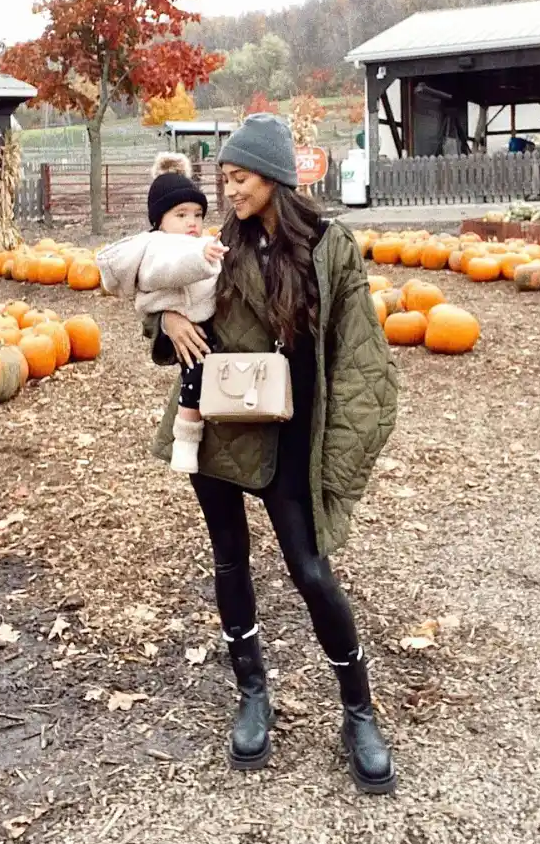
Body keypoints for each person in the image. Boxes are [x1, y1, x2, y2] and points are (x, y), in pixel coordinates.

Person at [144, 113, 400, 794]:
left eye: (241, 177)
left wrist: (340, 464)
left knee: (311, 570)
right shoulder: (213, 245)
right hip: (222, 423)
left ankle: (358, 710)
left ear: (277, 178)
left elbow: (362, 360)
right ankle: (253, 693)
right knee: (228, 559)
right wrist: (164, 318)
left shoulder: (329, 247)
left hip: (293, 430)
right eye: (223, 177)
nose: (228, 189)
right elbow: (155, 276)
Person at [96, 152, 226, 473]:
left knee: (199, 375)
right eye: (181, 215)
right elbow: (168, 270)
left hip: (198, 318)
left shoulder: (194, 243)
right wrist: (203, 257)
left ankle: (188, 433)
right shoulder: (161, 247)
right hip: (190, 324)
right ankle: (184, 436)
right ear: (160, 222)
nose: (192, 222)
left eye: (197, 214)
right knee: (194, 378)